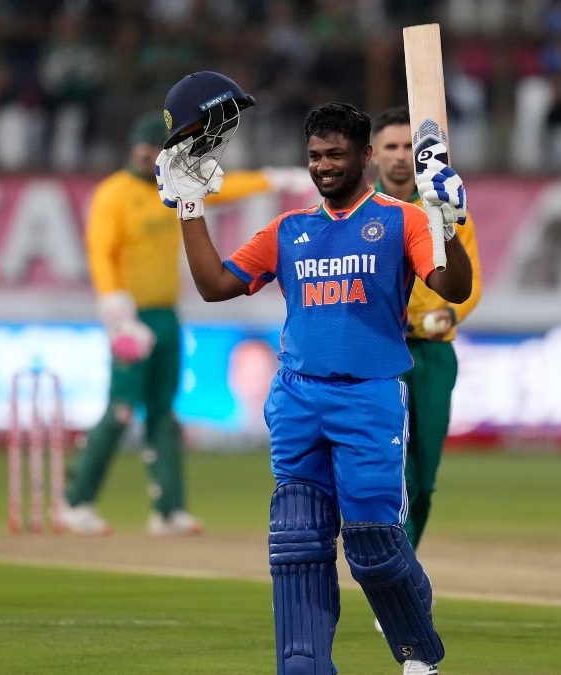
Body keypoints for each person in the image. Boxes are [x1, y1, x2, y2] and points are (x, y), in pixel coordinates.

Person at [157, 76, 471, 674]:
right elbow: (215, 285)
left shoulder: (402, 221)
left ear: (365, 157)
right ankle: (303, 664)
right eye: (315, 157)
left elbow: (454, 287)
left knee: (373, 546)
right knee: (297, 542)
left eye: (335, 155)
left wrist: (448, 222)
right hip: (297, 398)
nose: (323, 167)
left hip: (370, 398)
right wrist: (190, 208)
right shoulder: (288, 230)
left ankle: (418, 654)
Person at [61, 109, 285, 536]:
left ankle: (169, 510)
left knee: (164, 415)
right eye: (143, 148)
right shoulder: (114, 194)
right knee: (122, 410)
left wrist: (271, 180)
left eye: (156, 149)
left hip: (165, 315)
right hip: (128, 316)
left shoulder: (173, 187)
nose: (148, 156)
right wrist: (115, 309)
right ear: (133, 148)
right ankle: (76, 502)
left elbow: (224, 188)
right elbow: (101, 252)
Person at [371, 106, 482, 551]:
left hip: (434, 354)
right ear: (373, 154)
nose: (400, 157)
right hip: (381, 353)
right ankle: (394, 578)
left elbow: (469, 284)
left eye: (408, 148)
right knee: (395, 472)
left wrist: (450, 315)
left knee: (424, 480)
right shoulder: (362, 209)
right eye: (391, 147)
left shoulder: (449, 208)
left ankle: (404, 570)